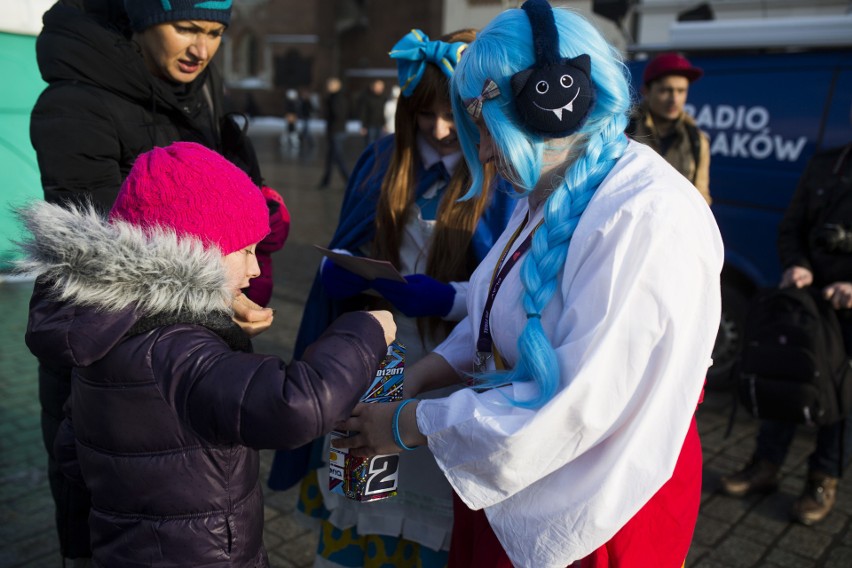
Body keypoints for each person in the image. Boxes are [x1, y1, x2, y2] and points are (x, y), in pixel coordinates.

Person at [331, 2, 724, 567]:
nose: (484, 153)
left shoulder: (646, 216)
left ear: (550, 102)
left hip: (591, 506)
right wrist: (420, 376)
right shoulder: (551, 189)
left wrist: (407, 424)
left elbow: (578, 404)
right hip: (521, 476)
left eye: (486, 128)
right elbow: (503, 316)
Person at [18, 141, 397, 567]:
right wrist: (365, 331)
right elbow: (296, 405)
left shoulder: (107, 326)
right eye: (246, 250)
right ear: (195, 253)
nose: (255, 269)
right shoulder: (178, 350)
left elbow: (73, 449)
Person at [27, 0, 287, 562]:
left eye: (215, 32)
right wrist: (216, 297)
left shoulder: (196, 91)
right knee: (103, 514)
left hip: (189, 350)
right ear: (143, 20)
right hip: (105, 352)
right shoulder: (73, 103)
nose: (201, 48)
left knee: (194, 504)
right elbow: (96, 249)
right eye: (186, 28)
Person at [268, 28, 516, 568]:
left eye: (453, 113)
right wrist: (337, 271)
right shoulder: (383, 158)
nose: (441, 129)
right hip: (377, 356)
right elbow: (353, 234)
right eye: (426, 114)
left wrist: (448, 299)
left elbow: (514, 294)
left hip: (453, 363)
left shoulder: (504, 175)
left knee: (432, 507)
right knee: (363, 479)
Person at [720, 140, 852, 525]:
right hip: (807, 302)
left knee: (842, 400)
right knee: (784, 380)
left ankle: (822, 481)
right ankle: (765, 465)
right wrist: (797, 264)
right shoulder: (829, 163)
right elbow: (791, 227)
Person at [627, 51, 712, 205]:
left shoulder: (697, 141)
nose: (674, 99)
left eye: (681, 91)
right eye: (665, 90)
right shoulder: (625, 129)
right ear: (646, 91)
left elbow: (701, 197)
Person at [318, 77, 350, 188]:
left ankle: (349, 180)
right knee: (330, 157)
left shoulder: (337, 99)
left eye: (331, 85)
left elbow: (339, 114)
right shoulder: (332, 98)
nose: (328, 87)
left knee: (337, 157)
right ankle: (325, 181)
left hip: (337, 130)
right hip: (334, 130)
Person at [359, 78, 388, 147]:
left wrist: (385, 124)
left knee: (380, 144)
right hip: (370, 125)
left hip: (381, 125)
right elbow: (363, 112)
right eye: (378, 87)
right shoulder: (367, 98)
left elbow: (385, 112)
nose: (380, 89)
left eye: (381, 87)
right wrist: (363, 126)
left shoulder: (384, 98)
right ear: (373, 87)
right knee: (370, 144)